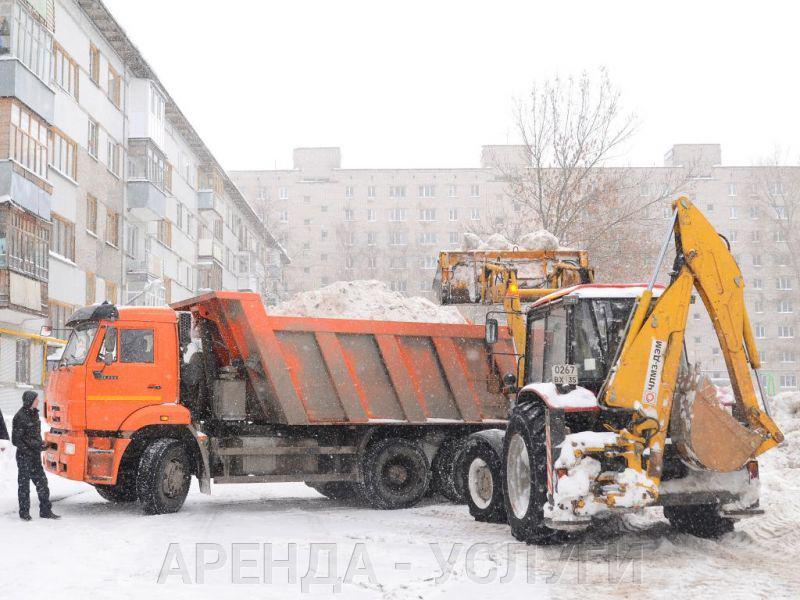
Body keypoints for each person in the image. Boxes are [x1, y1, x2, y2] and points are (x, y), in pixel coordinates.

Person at [12, 391, 60, 521]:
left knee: (42, 483)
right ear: (29, 400)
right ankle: (24, 513)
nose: (38, 401)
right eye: (36, 399)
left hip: (34, 456)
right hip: (24, 457)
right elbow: (16, 440)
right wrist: (31, 448)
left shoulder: (34, 414)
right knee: (24, 485)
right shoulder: (19, 417)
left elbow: (33, 437)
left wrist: (41, 444)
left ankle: (45, 511)